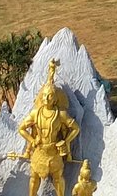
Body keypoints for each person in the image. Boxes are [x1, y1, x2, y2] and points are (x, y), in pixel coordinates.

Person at [17, 60, 81, 196]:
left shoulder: (61, 114)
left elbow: (75, 128)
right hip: (39, 150)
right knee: (34, 177)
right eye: (44, 95)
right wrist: (32, 140)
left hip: (54, 152)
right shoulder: (36, 113)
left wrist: (66, 141)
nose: (46, 98)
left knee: (58, 178)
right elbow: (21, 128)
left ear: (55, 98)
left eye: (50, 95)